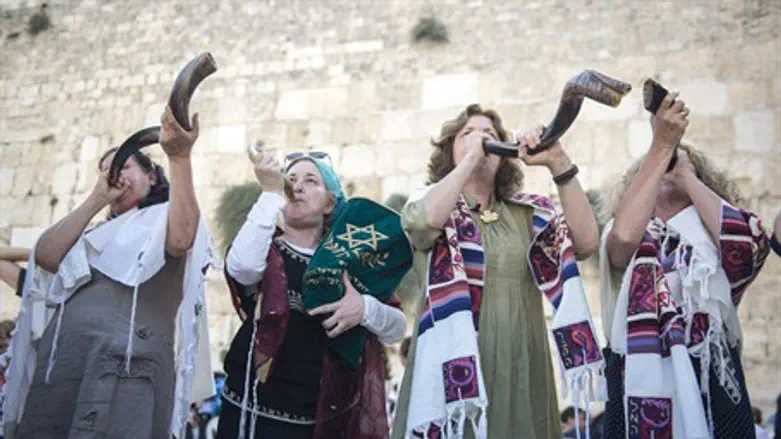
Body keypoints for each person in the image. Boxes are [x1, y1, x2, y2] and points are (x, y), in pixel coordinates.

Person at [1, 106, 214, 439]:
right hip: (68, 367)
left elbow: (184, 237)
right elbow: (46, 255)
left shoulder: (164, 220)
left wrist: (179, 156)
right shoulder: (92, 234)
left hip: (122, 371)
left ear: (152, 176)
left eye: (124, 166)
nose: (115, 175)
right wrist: (97, 198)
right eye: (107, 170)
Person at [393, 104, 603, 439]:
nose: (480, 138)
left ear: (503, 155)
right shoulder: (431, 203)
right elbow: (421, 223)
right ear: (450, 151)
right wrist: (469, 161)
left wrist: (559, 163)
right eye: (468, 134)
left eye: (489, 135)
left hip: (522, 365)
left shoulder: (529, 214)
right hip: (452, 366)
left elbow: (586, 243)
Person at [599, 92, 770, 438]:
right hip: (638, 368)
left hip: (713, 372)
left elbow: (746, 246)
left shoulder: (712, 235)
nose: (669, 168)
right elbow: (624, 241)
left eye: (678, 162)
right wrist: (659, 151)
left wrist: (687, 177)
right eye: (658, 168)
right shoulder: (626, 230)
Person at [218, 149, 408, 439]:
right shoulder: (264, 249)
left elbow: (396, 328)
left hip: (319, 420)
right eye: (290, 179)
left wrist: (364, 309)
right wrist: (269, 192)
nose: (297, 186)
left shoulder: (350, 263)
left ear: (330, 202)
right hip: (249, 414)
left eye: (311, 181)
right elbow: (241, 268)